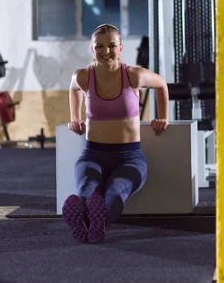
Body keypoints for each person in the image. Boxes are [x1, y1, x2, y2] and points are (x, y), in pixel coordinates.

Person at [62, 24, 169, 243]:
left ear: (121, 48)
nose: (106, 51)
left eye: (112, 46)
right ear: (92, 49)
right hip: (92, 155)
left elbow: (161, 84)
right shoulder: (83, 77)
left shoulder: (134, 76)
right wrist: (75, 117)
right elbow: (73, 89)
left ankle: (91, 223)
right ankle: (95, 225)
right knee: (87, 189)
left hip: (129, 157)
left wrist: (163, 116)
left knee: (115, 191)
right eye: (99, 46)